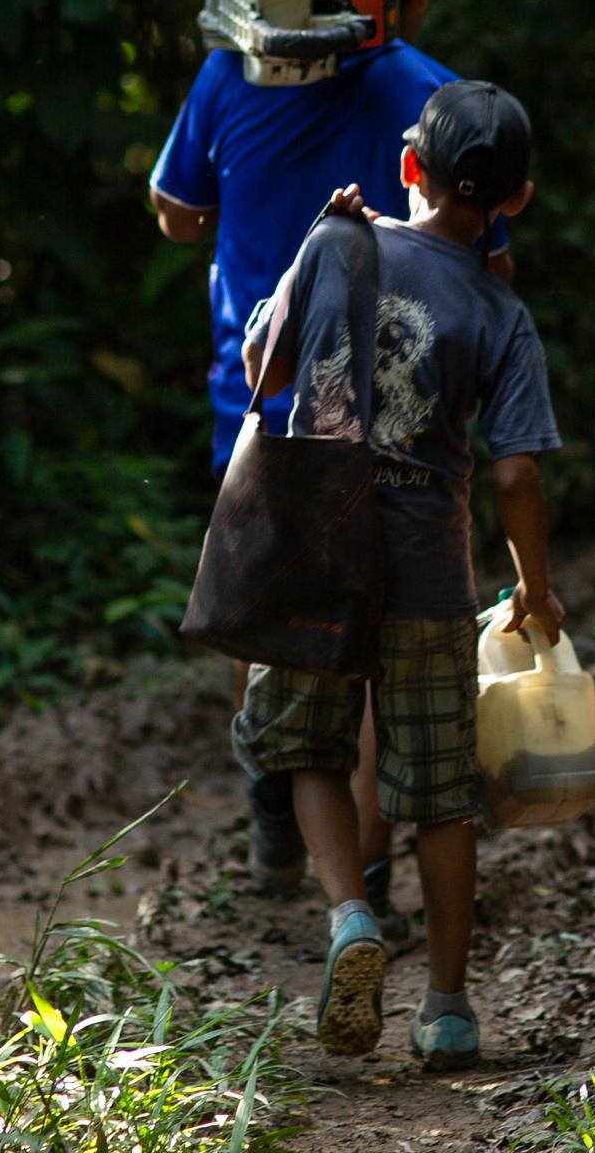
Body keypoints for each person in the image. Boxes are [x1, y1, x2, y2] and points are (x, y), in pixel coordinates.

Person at [150, 0, 510, 917]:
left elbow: (178, 214)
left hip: (259, 407)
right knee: (380, 624)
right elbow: (488, 263)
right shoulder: (432, 97)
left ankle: (277, 820)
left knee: (266, 607)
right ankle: (371, 876)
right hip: (408, 424)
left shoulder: (226, 74)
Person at [229, 80, 564, 1069]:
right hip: (427, 568)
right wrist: (533, 588)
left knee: (306, 748)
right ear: (519, 197)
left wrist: (295, 274)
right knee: (442, 794)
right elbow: (515, 469)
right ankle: (449, 1009)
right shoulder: (503, 311)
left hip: (317, 550)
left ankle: (348, 917)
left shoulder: (339, 241)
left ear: (408, 166)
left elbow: (264, 372)